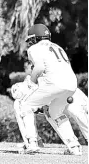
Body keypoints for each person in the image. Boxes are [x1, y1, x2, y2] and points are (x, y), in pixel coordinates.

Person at [17, 23, 81, 154]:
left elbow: (40, 68)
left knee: (24, 105)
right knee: (55, 112)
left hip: (54, 82)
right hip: (71, 83)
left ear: (35, 38)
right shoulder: (58, 47)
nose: (30, 43)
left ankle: (32, 142)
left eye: (31, 40)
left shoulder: (34, 48)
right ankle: (74, 146)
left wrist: (32, 82)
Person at [11, 75, 88, 155]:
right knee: (52, 114)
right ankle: (73, 146)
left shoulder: (34, 85)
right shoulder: (33, 83)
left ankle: (32, 142)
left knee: (53, 114)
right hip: (66, 95)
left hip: (71, 95)